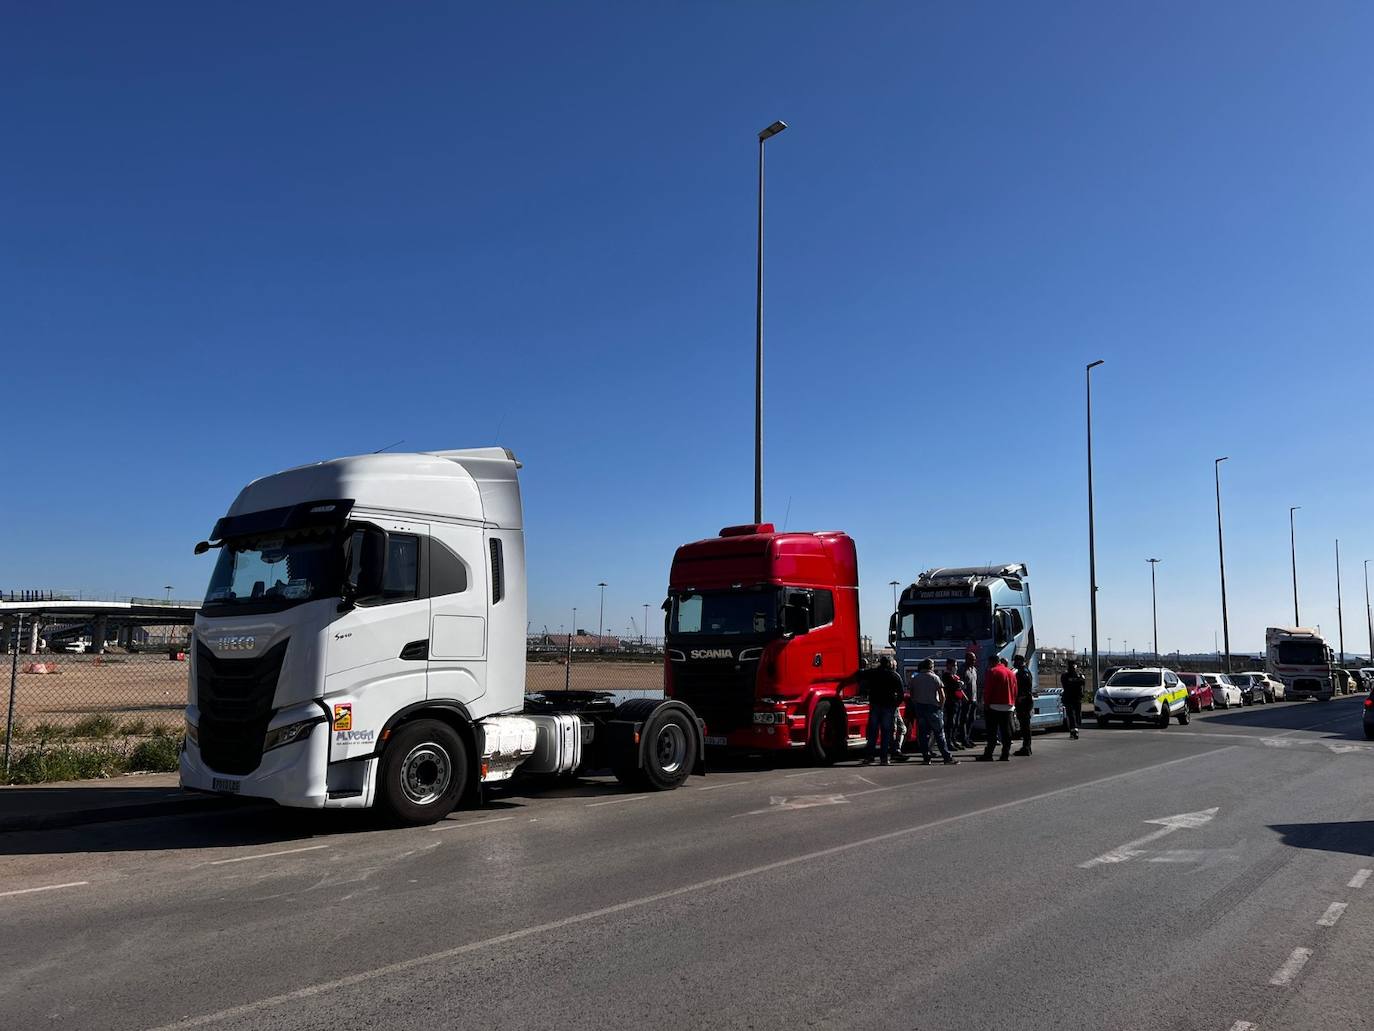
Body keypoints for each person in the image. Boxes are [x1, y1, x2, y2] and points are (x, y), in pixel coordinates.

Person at [858, 656, 908, 766]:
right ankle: (884, 758)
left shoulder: (873, 673)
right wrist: (895, 705)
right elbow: (901, 694)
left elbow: (860, 674)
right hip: (889, 706)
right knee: (886, 733)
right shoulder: (894, 675)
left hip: (875, 705)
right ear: (890, 664)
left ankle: (869, 756)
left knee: (873, 732)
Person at [908, 658, 958, 765]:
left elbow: (911, 693)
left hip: (920, 707)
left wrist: (916, 702)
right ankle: (946, 757)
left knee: (923, 735)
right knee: (939, 733)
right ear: (931, 666)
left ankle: (926, 757)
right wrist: (940, 706)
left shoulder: (915, 678)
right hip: (933, 707)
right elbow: (942, 695)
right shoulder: (935, 678)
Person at [977, 655, 1017, 761]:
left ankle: (989, 754)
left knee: (992, 732)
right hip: (1008, 705)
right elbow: (1015, 689)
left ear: (991, 661)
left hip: (994, 705)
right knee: (1006, 731)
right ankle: (1005, 754)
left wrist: (986, 703)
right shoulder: (1010, 673)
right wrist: (1012, 702)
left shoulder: (992, 671)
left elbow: (988, 689)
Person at [1012, 653, 1035, 756]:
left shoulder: (1023, 672)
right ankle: (1026, 746)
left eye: (1016, 661)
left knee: (1025, 725)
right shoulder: (1021, 672)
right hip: (1023, 700)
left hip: (1024, 701)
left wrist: (1022, 697)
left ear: (1020, 662)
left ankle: (1026, 747)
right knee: (1024, 725)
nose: (1014, 663)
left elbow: (1026, 687)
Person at [941, 659, 965, 751]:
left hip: (957, 701)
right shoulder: (947, 675)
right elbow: (953, 686)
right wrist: (958, 684)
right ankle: (949, 742)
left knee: (956, 723)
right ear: (948, 665)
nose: (955, 667)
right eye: (954, 665)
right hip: (951, 702)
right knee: (951, 723)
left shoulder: (953, 676)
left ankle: (954, 740)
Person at [1060, 659, 1086, 740]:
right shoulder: (1068, 676)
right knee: (1072, 714)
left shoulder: (1077, 676)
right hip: (1071, 697)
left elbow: (1082, 684)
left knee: (1075, 714)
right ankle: (1074, 729)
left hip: (1074, 697)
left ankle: (1074, 729)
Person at [959, 651, 980, 747]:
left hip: (974, 698)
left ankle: (968, 737)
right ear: (967, 659)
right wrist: (964, 697)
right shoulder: (962, 669)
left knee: (972, 719)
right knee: (964, 719)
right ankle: (963, 739)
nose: (974, 661)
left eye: (974, 659)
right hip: (966, 699)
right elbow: (960, 686)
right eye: (972, 659)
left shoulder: (974, 669)